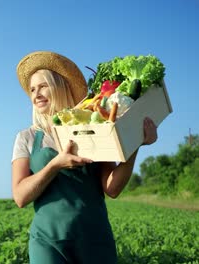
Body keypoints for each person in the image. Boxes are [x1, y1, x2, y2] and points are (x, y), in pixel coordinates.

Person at [11, 51, 158, 263]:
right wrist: (55, 165)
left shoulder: (92, 128)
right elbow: (20, 197)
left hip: (94, 241)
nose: (36, 93)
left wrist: (135, 143)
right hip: (48, 243)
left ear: (61, 86)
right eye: (32, 89)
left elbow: (112, 188)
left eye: (43, 85)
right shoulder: (27, 137)